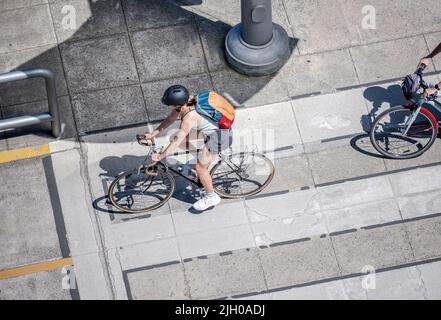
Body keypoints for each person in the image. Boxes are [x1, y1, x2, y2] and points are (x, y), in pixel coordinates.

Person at [142, 85, 234, 211]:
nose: (170, 107)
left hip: (219, 137)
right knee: (178, 138)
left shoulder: (189, 117)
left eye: (170, 104)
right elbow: (170, 119)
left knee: (199, 168)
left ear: (176, 104)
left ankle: (212, 196)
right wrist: (153, 133)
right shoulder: (188, 101)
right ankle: (200, 158)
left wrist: (160, 156)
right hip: (212, 131)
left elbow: (176, 142)